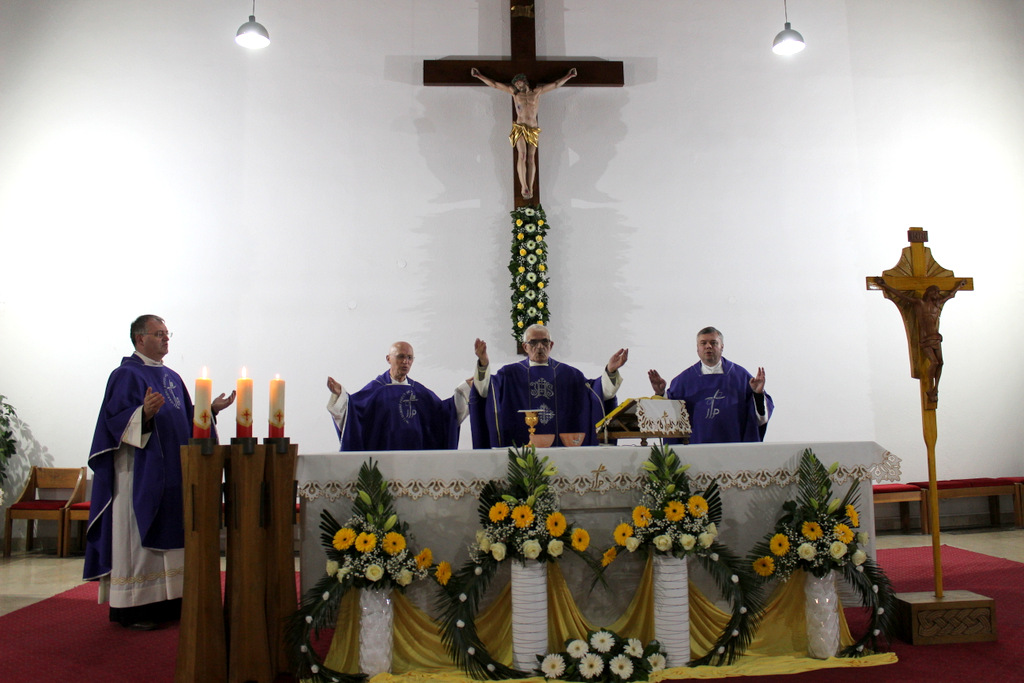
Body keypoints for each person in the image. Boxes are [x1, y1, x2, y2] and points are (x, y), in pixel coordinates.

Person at [83, 315, 234, 629]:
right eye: (159, 334)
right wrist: (143, 414)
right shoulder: (125, 375)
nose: (166, 339)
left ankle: (172, 602)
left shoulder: (172, 377)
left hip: (174, 476)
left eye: (167, 333)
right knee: (140, 544)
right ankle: (136, 608)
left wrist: (210, 411)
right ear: (140, 339)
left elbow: (187, 422)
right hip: (139, 475)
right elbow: (113, 423)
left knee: (173, 536)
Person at [469, 324, 627, 448]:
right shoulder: (509, 375)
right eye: (533, 342)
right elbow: (486, 391)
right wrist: (483, 364)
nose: (539, 346)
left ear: (551, 345)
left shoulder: (570, 375)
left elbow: (596, 393)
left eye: (544, 342)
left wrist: (610, 371)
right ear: (525, 346)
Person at [327, 341, 471, 450]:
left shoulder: (419, 392)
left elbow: (443, 414)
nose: (405, 361)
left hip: (416, 458)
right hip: (384, 457)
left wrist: (464, 390)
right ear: (388, 359)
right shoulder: (377, 389)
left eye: (409, 357)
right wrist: (340, 395)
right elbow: (354, 413)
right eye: (401, 356)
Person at [648, 326, 772, 444]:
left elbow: (759, 420)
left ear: (722, 346)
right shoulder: (683, 381)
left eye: (713, 342)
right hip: (695, 449)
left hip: (734, 448)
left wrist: (758, 394)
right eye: (703, 343)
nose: (708, 346)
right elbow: (669, 419)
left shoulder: (741, 377)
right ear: (697, 348)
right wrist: (660, 393)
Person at [470, 67, 577, 199]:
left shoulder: (536, 92)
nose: (516, 85)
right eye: (515, 84)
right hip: (520, 127)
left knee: (531, 158)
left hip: (533, 128)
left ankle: (530, 187)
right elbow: (495, 85)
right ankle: (524, 186)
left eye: (517, 82)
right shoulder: (515, 93)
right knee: (522, 155)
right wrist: (479, 76)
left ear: (523, 81)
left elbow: (555, 85)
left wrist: (568, 76)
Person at [873, 277, 967, 403]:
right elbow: (901, 296)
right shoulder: (919, 303)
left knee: (941, 362)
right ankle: (930, 387)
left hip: (936, 337)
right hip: (926, 339)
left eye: (938, 292)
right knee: (934, 362)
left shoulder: (937, 304)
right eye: (935, 291)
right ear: (929, 292)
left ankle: (935, 389)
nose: (938, 294)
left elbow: (950, 295)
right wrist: (885, 285)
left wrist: (959, 286)